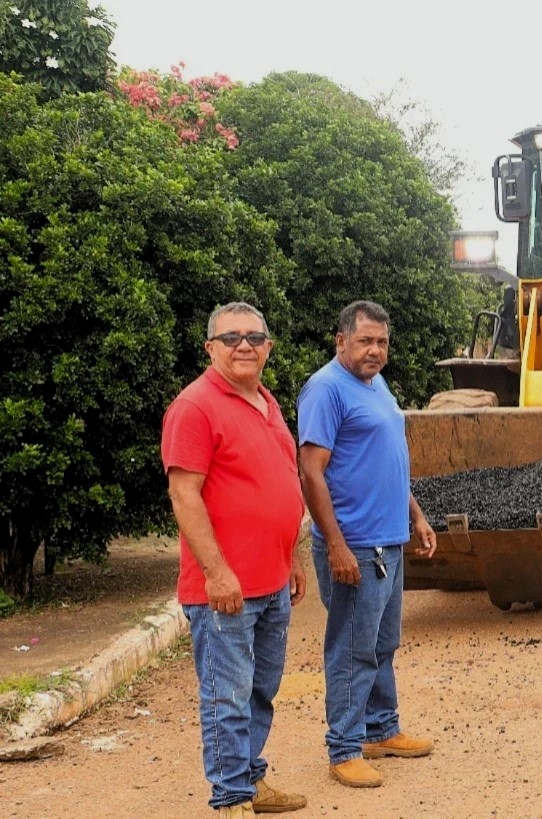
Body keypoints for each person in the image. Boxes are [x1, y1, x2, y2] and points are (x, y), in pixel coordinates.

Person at [161, 302, 308, 816]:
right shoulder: (195, 407)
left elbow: (281, 486)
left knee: (260, 691)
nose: (243, 345)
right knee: (227, 696)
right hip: (225, 591)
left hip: (271, 582)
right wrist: (217, 572)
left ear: (268, 347)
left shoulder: (265, 402)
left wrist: (290, 557)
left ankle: (250, 779)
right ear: (210, 348)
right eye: (230, 338)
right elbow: (185, 496)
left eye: (253, 336)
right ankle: (229, 800)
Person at [297, 300, 438, 789]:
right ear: (341, 341)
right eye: (364, 341)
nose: (374, 350)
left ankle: (380, 728)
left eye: (381, 342)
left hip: (389, 540)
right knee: (352, 648)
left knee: (382, 643)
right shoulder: (325, 389)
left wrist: (416, 516)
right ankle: (344, 747)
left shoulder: (376, 385)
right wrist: (335, 545)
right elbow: (310, 471)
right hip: (355, 544)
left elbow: (387, 460)